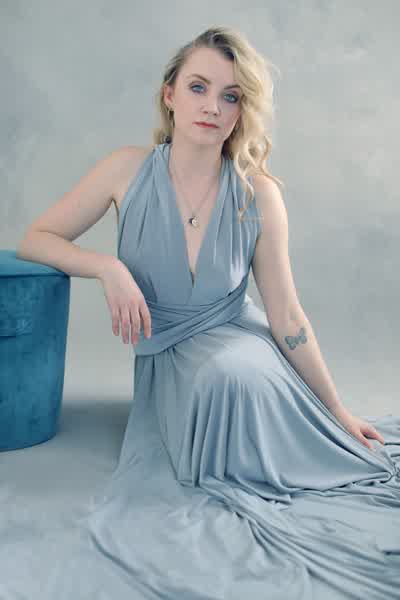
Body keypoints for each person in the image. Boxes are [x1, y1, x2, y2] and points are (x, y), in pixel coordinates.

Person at [17, 25, 400, 600]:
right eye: (199, 87)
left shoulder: (257, 193)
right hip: (169, 356)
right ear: (170, 94)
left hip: (239, 339)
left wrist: (339, 411)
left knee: (234, 372)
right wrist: (107, 267)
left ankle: (295, 452)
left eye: (231, 95)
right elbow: (36, 238)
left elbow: (287, 316)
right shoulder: (126, 169)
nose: (213, 107)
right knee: (219, 379)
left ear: (242, 111)